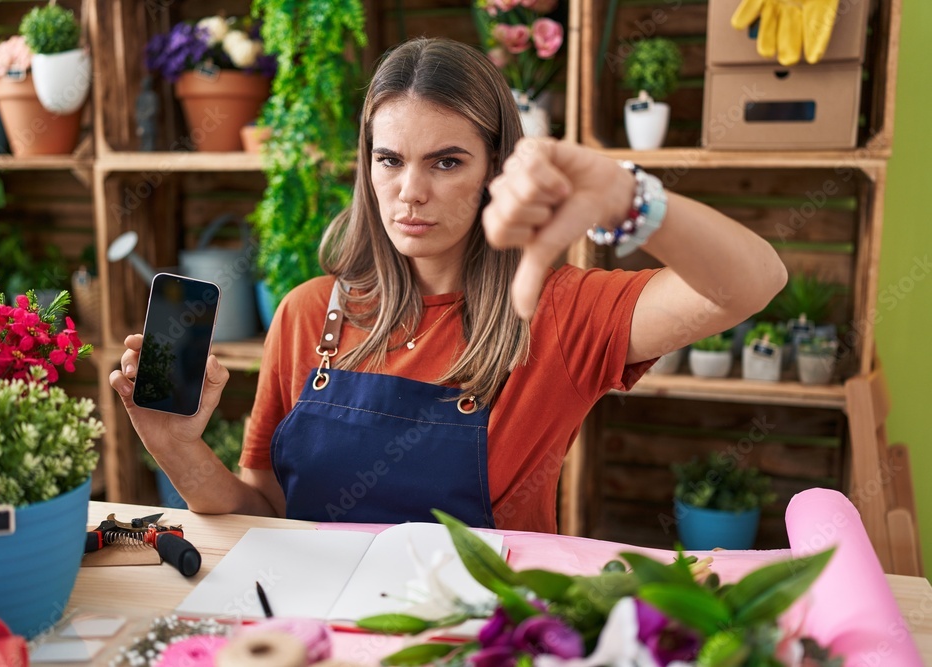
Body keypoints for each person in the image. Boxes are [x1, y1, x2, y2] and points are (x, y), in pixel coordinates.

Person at [109, 38, 786, 533]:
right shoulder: (310, 313)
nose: (411, 192)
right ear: (366, 166)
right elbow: (266, 510)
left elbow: (750, 285)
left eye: (447, 162)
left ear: (496, 165)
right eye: (390, 159)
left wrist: (628, 195)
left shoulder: (554, 309)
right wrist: (179, 450)